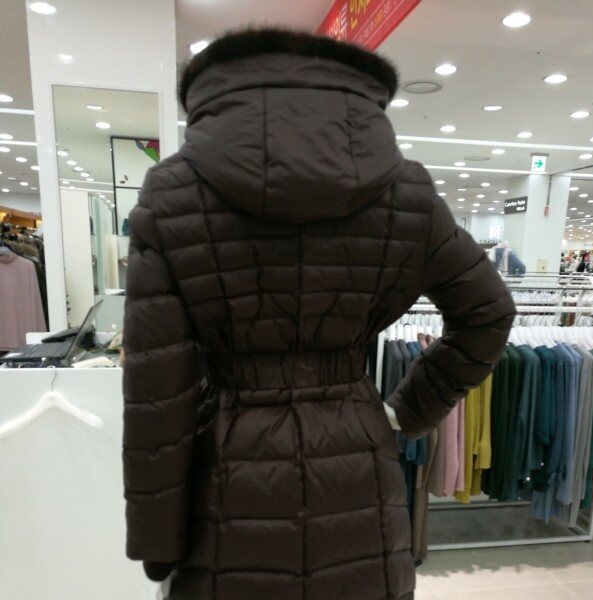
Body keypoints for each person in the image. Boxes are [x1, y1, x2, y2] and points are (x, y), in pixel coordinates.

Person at [122, 28, 516, 600]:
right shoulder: (408, 192)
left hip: (229, 475)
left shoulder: (171, 193)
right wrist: (408, 409)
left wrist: (157, 543)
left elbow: (157, 393)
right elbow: (488, 313)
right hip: (358, 462)